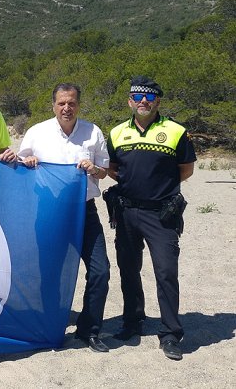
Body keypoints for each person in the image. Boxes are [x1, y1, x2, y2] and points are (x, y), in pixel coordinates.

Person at [107, 76, 195, 361]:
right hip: (127, 212)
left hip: (161, 214)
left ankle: (170, 333)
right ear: (130, 101)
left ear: (158, 100)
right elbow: (113, 168)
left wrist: (159, 188)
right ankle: (133, 322)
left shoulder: (176, 131)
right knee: (128, 269)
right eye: (137, 97)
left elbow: (186, 169)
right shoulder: (118, 132)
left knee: (166, 272)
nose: (143, 101)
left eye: (149, 97)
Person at [18, 83, 111, 353]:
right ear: (53, 105)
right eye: (61, 103)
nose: (66, 108)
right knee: (49, 272)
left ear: (78, 104)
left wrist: (94, 168)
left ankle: (89, 330)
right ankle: (49, 326)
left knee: (100, 271)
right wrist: (30, 162)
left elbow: (104, 171)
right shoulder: (37, 132)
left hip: (85, 212)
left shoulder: (93, 132)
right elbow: (21, 166)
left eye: (71, 103)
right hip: (49, 213)